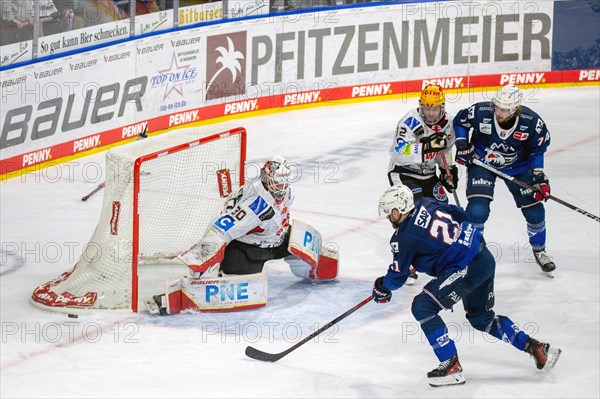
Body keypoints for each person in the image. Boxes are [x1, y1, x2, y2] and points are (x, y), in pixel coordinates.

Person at [372, 185, 561, 387]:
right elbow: (459, 213)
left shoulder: (403, 237)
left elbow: (397, 278)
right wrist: (463, 241)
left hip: (464, 268)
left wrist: (382, 287)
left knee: (422, 306)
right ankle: (536, 347)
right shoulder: (426, 203)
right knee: (481, 319)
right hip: (483, 257)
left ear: (396, 211)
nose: (387, 218)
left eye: (387, 213)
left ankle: (451, 366)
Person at [150, 156, 338, 315]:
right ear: (266, 178)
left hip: (278, 239)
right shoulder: (255, 205)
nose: (282, 185)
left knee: (306, 263)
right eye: (277, 180)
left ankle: (309, 268)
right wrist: (198, 264)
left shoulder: (286, 191)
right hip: (248, 249)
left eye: (284, 180)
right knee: (238, 284)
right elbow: (221, 229)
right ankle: (198, 286)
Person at [453, 84, 556, 277]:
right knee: (477, 210)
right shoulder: (481, 112)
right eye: (497, 106)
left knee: (534, 212)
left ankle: (539, 250)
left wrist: (539, 176)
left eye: (504, 109)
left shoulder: (532, 122)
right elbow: (460, 121)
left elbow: (536, 150)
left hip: (518, 167)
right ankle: (472, 251)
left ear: (515, 109)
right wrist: (462, 144)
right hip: (482, 162)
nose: (498, 112)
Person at [387, 83, 459, 284]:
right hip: (404, 172)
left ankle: (445, 254)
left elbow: (444, 150)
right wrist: (426, 146)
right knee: (409, 215)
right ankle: (405, 263)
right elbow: (399, 151)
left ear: (442, 107)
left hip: (428, 174)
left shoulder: (448, 123)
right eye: (426, 107)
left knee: (444, 211)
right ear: (420, 105)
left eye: (434, 107)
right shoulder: (409, 122)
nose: (429, 112)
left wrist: (448, 171)